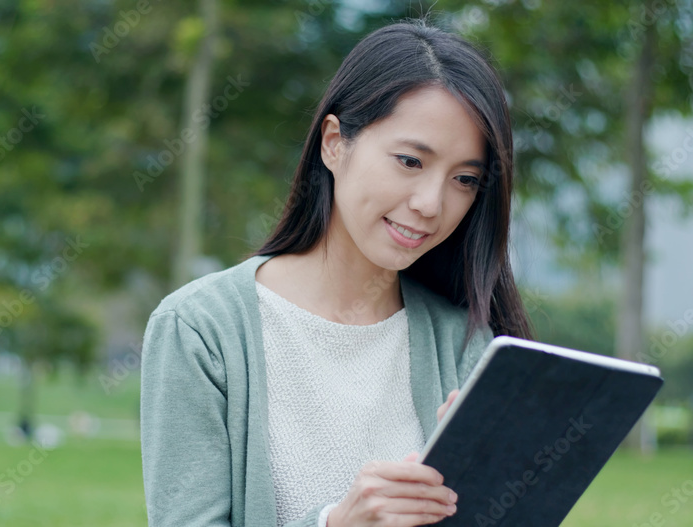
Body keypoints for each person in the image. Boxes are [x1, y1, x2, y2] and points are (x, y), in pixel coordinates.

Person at [140, 17, 534, 527]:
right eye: (411, 161)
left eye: (464, 179)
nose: (431, 203)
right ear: (334, 143)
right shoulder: (199, 330)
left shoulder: (464, 341)